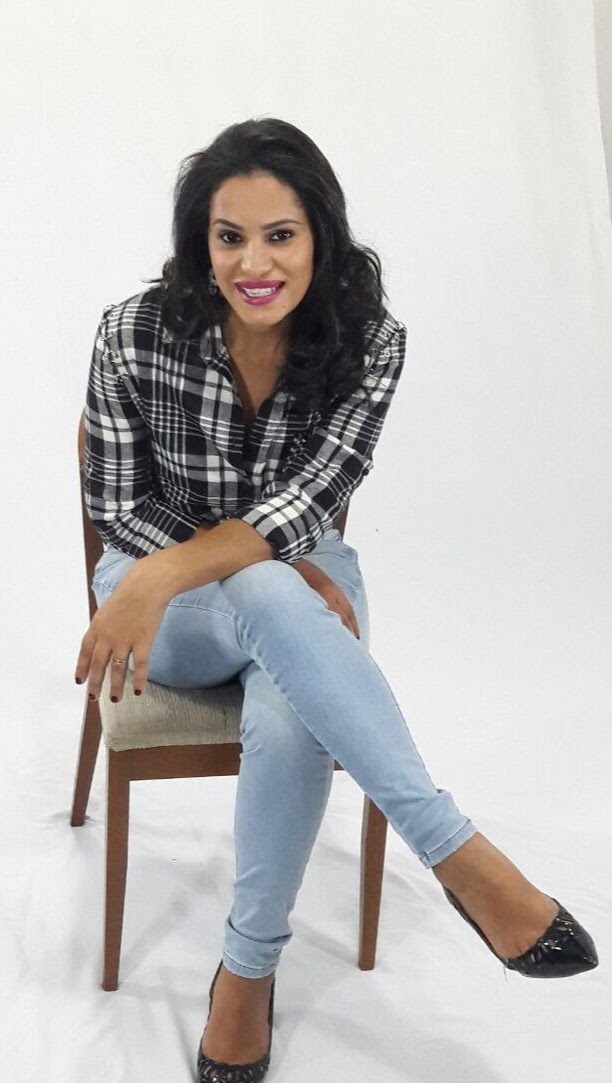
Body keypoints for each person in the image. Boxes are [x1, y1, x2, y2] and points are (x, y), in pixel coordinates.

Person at [75, 117, 598, 1083]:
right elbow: (118, 508)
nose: (254, 263)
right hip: (159, 601)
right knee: (269, 588)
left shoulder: (370, 342)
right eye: (229, 237)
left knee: (290, 709)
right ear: (200, 243)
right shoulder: (131, 332)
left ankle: (246, 972)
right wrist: (168, 573)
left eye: (281, 235)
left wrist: (245, 564)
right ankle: (456, 852)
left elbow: (314, 500)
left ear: (320, 234)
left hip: (296, 570)